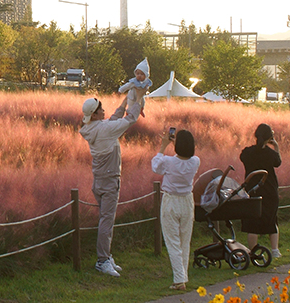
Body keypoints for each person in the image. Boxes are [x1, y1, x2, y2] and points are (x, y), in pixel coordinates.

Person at [80, 87, 147, 277]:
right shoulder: (104, 129)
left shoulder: (91, 128)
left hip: (99, 181)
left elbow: (114, 119)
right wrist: (139, 99)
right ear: (94, 114)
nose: (104, 111)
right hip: (110, 182)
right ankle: (102, 260)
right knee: (106, 222)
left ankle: (106, 256)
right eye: (100, 110)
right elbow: (129, 120)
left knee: (105, 220)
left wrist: (126, 101)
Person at [152, 128, 200, 291]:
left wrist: (163, 146)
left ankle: (179, 279)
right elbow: (186, 157)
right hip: (187, 200)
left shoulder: (168, 161)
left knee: (173, 241)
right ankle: (182, 276)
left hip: (171, 201)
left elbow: (155, 166)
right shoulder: (195, 161)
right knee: (184, 240)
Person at [240, 123, 282, 259]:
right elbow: (278, 162)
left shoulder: (247, 152)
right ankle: (275, 250)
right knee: (271, 220)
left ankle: (253, 252)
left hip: (252, 190)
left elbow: (242, 157)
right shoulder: (270, 154)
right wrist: (276, 146)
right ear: (269, 137)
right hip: (269, 191)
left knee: (252, 224)